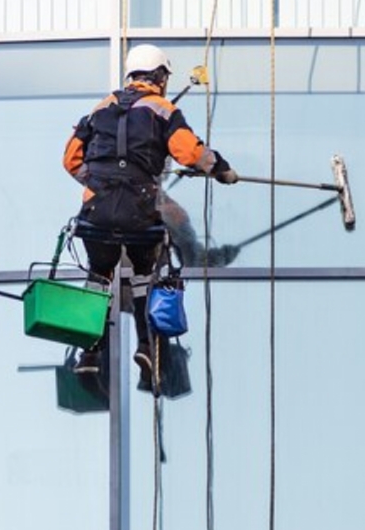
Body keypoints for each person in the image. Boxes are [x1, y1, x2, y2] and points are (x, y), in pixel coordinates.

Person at [62, 43, 238, 384]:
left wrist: (98, 183)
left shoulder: (100, 109)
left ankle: (90, 352)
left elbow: (70, 159)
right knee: (145, 274)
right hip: (140, 215)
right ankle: (145, 345)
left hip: (96, 213)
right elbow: (191, 153)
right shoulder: (163, 109)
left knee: (100, 275)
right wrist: (222, 169)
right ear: (159, 76)